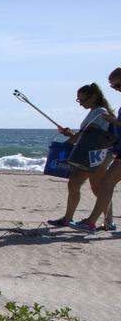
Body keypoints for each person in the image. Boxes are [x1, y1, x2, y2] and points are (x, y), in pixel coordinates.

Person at [49, 82, 116, 228]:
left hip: (96, 154)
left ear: (94, 97)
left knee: (83, 184)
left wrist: (68, 141)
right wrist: (70, 135)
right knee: (92, 186)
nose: (81, 104)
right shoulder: (96, 111)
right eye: (79, 100)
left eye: (83, 100)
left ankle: (105, 221)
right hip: (95, 153)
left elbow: (91, 136)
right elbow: (87, 135)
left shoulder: (100, 112)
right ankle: (107, 221)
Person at [75, 68, 121, 232]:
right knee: (105, 185)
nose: (116, 89)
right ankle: (99, 221)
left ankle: (94, 221)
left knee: (103, 185)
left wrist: (113, 121)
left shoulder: (100, 111)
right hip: (115, 152)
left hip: (103, 153)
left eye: (118, 85)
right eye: (113, 86)